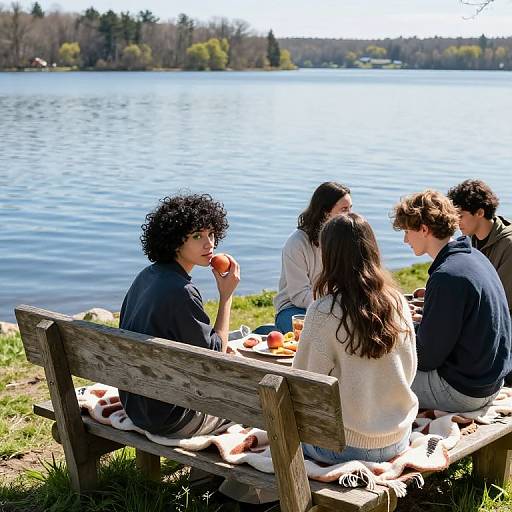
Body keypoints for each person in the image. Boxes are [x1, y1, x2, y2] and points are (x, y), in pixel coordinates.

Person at [293, 213, 418, 464]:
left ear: (329, 255)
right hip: (397, 439)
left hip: (342, 446)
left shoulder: (323, 311)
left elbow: (303, 383)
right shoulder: (398, 302)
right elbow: (411, 368)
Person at [118, 193, 240, 437]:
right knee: (251, 399)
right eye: (197, 236)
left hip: (137, 403)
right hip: (171, 416)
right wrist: (226, 297)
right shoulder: (182, 291)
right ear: (175, 242)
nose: (209, 244)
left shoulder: (146, 276)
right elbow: (215, 357)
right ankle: (207, 475)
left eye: (211, 234)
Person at [392, 189, 511, 412]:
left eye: (408, 231)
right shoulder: (474, 257)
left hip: (464, 391)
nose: (406, 239)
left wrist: (399, 329)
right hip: (491, 381)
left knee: (379, 375)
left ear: (424, 229)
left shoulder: (447, 276)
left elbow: (427, 358)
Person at [273, 182, 352, 334]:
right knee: (323, 335)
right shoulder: (296, 243)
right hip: (294, 309)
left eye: (350, 209)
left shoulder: (346, 239)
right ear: (325, 212)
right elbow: (299, 295)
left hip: (335, 306)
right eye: (344, 210)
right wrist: (336, 307)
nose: (349, 215)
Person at [447, 179, 512, 313]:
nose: (455, 221)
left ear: (480, 213)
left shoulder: (509, 245)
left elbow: (499, 300)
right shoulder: (467, 241)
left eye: (460, 215)